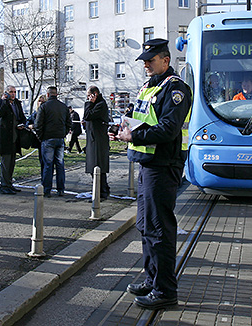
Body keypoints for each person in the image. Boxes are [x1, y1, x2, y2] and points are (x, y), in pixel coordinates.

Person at [113, 39, 191, 310]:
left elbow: (169, 128)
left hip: (164, 165)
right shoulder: (150, 86)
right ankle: (152, 278)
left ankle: (166, 291)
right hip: (148, 165)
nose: (145, 64)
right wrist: (121, 127)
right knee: (146, 226)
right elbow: (139, 117)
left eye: (150, 60)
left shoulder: (176, 88)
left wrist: (133, 134)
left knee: (160, 229)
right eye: (144, 60)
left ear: (165, 60)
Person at [34, 86, 72, 198]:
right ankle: (61, 189)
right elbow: (69, 123)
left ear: (48, 95)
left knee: (48, 165)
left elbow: (38, 124)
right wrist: (63, 133)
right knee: (60, 165)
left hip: (48, 138)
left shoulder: (44, 107)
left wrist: (41, 137)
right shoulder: (63, 107)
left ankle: (47, 189)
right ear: (56, 94)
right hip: (60, 138)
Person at [0, 86, 26, 194]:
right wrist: (4, 101)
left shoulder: (17, 103)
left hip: (15, 136)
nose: (13, 94)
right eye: (10, 92)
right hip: (5, 137)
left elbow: (21, 116)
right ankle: (4, 185)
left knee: (12, 162)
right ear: (6, 93)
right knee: (6, 162)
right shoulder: (0, 103)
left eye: (14, 92)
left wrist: (22, 124)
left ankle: (9, 183)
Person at [83, 86, 110, 200]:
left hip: (98, 140)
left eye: (89, 95)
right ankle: (101, 190)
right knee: (94, 167)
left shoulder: (100, 104)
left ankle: (101, 192)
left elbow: (88, 115)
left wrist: (89, 103)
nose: (88, 98)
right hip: (93, 138)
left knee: (98, 166)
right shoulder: (97, 104)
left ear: (95, 94)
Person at [28, 95, 47, 173]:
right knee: (42, 160)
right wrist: (29, 125)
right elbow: (28, 121)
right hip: (39, 139)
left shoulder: (48, 113)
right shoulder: (35, 113)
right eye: (39, 101)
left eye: (43, 102)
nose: (41, 103)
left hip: (47, 138)